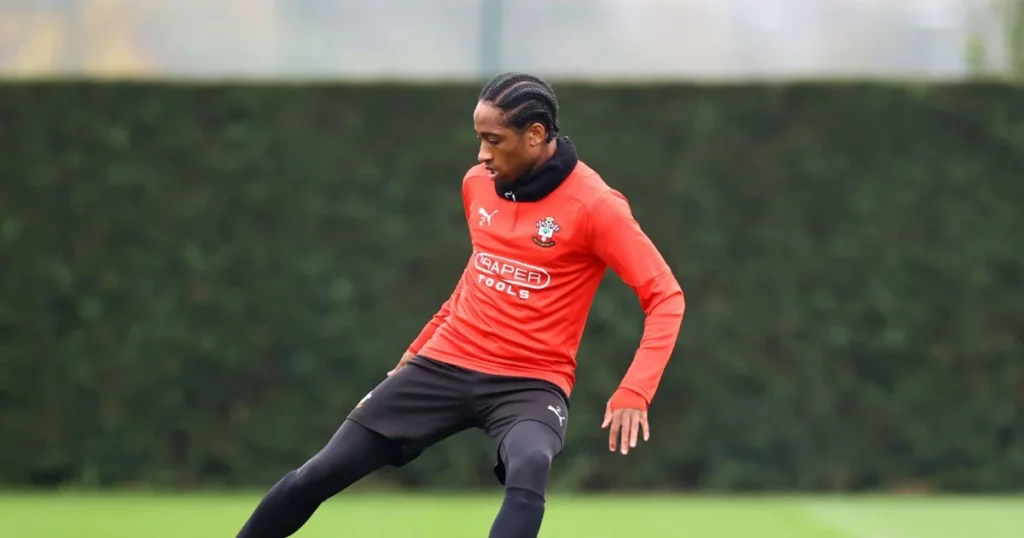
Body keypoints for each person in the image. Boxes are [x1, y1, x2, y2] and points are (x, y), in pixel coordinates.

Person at [235, 72, 685, 538]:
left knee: (529, 465)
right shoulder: (478, 184)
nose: (481, 155)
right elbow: (479, 273)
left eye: (494, 140)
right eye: (478, 139)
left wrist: (635, 390)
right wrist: (418, 349)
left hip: (530, 382)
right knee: (320, 472)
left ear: (535, 136)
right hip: (442, 366)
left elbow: (665, 296)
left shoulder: (595, 205)